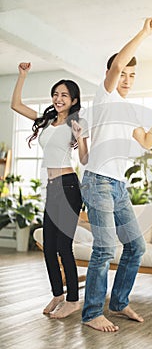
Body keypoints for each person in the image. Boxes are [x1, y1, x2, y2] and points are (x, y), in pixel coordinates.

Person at [81, 17, 152, 332]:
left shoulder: (129, 109)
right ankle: (92, 312)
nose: (128, 79)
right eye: (124, 73)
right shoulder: (105, 96)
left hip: (118, 186)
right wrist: (145, 33)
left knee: (136, 247)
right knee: (105, 248)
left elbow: (145, 142)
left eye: (133, 75)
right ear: (112, 75)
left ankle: (118, 302)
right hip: (97, 181)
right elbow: (117, 64)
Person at [11, 62, 88, 319]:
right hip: (53, 187)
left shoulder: (76, 123)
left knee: (64, 246)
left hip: (68, 187)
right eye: (55, 94)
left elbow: (85, 159)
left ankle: (73, 300)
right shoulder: (46, 121)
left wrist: (81, 136)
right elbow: (16, 105)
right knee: (49, 244)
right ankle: (58, 293)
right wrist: (23, 76)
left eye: (64, 95)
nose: (58, 98)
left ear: (74, 100)